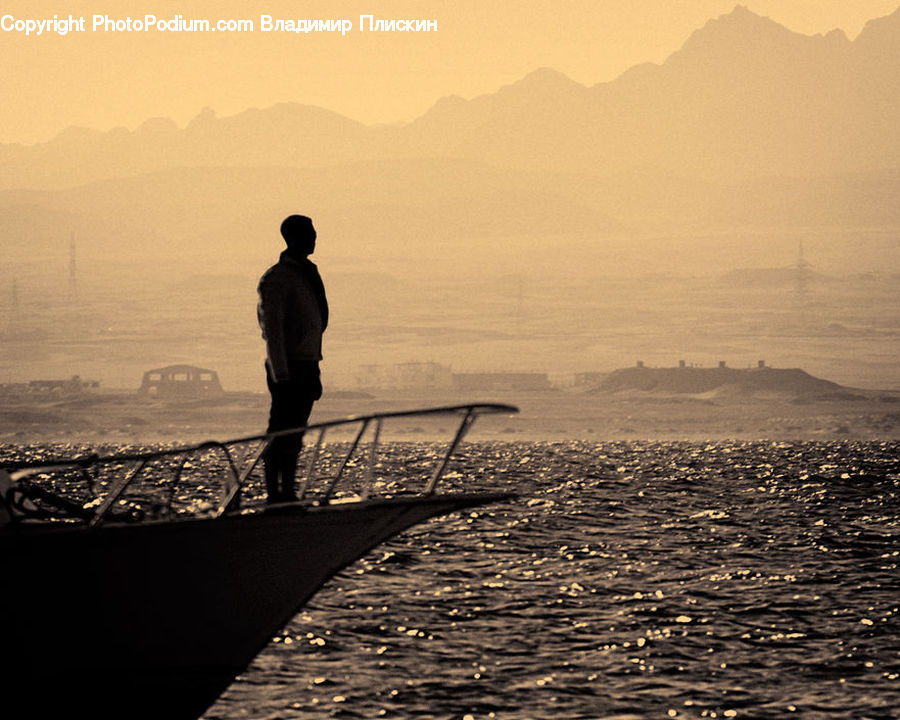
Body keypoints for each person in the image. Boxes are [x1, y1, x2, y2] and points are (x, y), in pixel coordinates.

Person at [257, 214, 328, 503]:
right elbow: (273, 331)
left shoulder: (306, 273)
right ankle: (276, 494)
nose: (315, 237)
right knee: (282, 432)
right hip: (289, 368)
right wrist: (282, 375)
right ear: (294, 237)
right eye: (309, 232)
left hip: (308, 363)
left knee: (296, 433)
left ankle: (288, 490)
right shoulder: (278, 279)